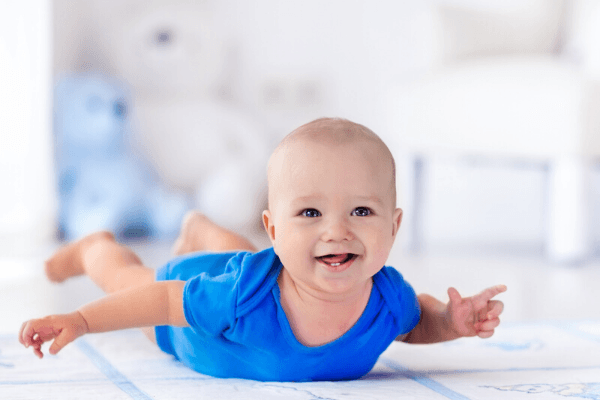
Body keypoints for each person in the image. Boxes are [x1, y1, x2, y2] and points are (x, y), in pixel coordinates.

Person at [19, 117, 506, 382]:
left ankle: (201, 227)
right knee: (130, 278)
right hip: (183, 312)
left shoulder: (388, 298)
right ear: (274, 228)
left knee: (238, 253)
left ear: (394, 226)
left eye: (361, 212)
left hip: (246, 267)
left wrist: (450, 322)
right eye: (310, 214)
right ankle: (93, 249)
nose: (336, 232)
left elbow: (415, 323)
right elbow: (165, 300)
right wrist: (80, 321)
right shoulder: (240, 296)